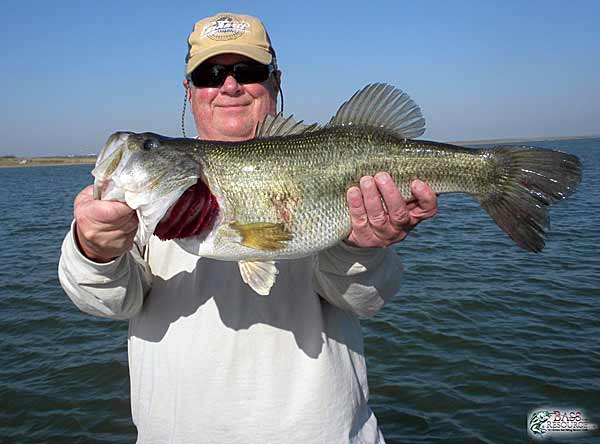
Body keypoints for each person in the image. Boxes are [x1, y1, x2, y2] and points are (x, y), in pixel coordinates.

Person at [59, 12, 437, 444]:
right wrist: (95, 251)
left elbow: (366, 299)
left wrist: (361, 249)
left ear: (275, 80)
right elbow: (107, 305)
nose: (229, 85)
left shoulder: (334, 161)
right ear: (189, 90)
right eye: (210, 73)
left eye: (248, 71)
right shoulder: (144, 203)